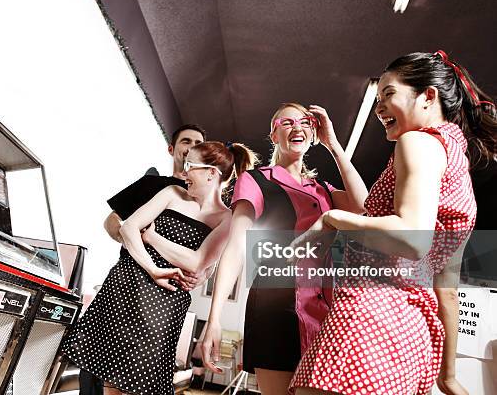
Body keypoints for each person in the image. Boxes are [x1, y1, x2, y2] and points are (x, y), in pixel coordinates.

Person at [291, 51, 496, 395]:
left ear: (428, 96)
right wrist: (447, 376)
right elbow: (446, 288)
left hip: (368, 319)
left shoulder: (417, 141)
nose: (379, 108)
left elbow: (412, 237)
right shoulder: (456, 164)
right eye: (376, 99)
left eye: (389, 94)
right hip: (412, 336)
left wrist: (333, 218)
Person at [61, 141, 257, 395]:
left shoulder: (226, 218)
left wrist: (152, 238)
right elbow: (129, 227)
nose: (185, 173)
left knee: (139, 385)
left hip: (163, 309)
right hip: (124, 291)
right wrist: (153, 268)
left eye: (191, 167)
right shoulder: (172, 193)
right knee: (109, 383)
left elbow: (198, 262)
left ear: (212, 173)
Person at [201, 103, 368, 395]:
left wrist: (333, 145)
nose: (296, 127)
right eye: (286, 122)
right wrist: (214, 319)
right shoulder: (256, 180)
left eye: (304, 122)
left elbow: (364, 206)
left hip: (326, 311)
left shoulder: (324, 190)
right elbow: (236, 247)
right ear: (273, 134)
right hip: (275, 308)